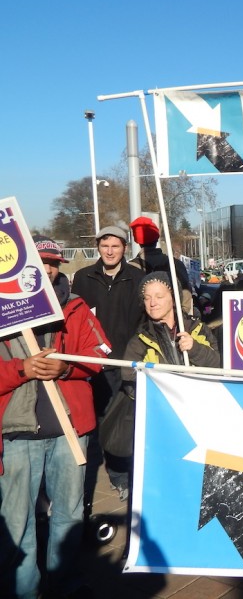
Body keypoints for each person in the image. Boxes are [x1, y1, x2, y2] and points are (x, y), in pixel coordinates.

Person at [0, 236, 110, 598]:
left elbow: (100, 354)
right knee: (18, 523)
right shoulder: (4, 310)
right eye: (40, 262)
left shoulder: (76, 307)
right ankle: (22, 590)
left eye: (53, 263)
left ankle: (66, 583)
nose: (48, 269)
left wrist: (66, 368)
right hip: (15, 434)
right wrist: (22, 369)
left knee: (69, 513)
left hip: (69, 430)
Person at [114, 272, 221, 479]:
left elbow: (218, 365)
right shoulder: (140, 339)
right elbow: (128, 379)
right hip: (161, 424)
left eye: (159, 296)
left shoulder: (198, 329)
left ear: (173, 298)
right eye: (147, 298)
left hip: (200, 421)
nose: (152, 303)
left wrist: (195, 348)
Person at [71, 225, 146, 498]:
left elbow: (143, 321)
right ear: (98, 248)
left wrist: (134, 354)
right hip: (92, 363)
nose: (110, 251)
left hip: (125, 362)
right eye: (105, 246)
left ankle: (121, 476)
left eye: (115, 246)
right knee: (94, 422)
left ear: (124, 248)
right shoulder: (83, 277)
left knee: (121, 423)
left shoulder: (137, 277)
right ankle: (86, 478)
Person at [128, 216, 194, 315]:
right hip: (174, 324)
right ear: (157, 238)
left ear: (137, 241)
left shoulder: (129, 268)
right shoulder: (176, 265)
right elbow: (186, 296)